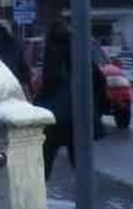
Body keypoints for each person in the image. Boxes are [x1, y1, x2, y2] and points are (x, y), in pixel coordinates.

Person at [34, 19, 108, 179]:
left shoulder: (51, 57)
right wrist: (98, 110)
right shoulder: (81, 57)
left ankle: (40, 195)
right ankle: (84, 197)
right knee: (81, 163)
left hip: (55, 119)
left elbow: (45, 89)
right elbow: (100, 83)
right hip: (80, 117)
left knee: (45, 159)